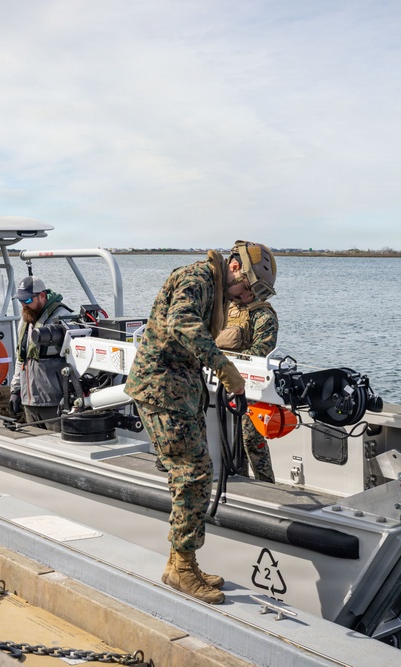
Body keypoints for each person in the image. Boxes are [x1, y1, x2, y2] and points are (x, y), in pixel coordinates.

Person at [124, 240, 277, 604]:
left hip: (180, 388)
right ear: (236, 268)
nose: (242, 300)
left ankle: (182, 562)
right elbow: (182, 321)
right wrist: (225, 369)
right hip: (161, 388)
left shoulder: (216, 287)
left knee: (195, 470)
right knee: (192, 471)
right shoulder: (197, 278)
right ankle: (182, 567)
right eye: (244, 290)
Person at [215, 297, 278, 483]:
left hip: (252, 390)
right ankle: (237, 480)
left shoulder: (263, 316)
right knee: (230, 441)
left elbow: (260, 353)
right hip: (222, 384)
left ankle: (266, 485)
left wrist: (226, 361)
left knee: (251, 440)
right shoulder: (223, 310)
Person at [8, 276, 74, 430]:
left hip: (54, 403)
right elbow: (21, 358)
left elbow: (75, 361)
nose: (24, 304)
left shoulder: (63, 318)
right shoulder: (24, 320)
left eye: (28, 300)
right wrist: (15, 389)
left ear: (42, 296)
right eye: (21, 301)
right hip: (29, 401)